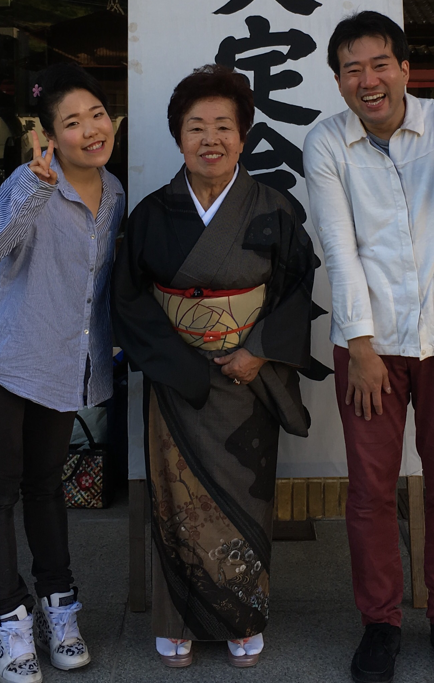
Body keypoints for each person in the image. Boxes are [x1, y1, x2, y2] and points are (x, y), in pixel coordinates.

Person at [303, 12, 434, 683]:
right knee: (369, 490)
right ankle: (380, 623)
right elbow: (338, 248)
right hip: (371, 344)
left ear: (403, 68)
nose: (367, 80)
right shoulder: (326, 142)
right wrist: (361, 346)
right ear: (338, 80)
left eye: (379, 64)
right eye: (351, 69)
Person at [112, 64, 323, 668]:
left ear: (243, 134)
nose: (211, 139)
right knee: (175, 499)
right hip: (176, 382)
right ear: (178, 137)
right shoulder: (152, 213)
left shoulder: (272, 208)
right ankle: (175, 618)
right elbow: (128, 299)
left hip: (248, 380)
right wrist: (181, 365)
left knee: (243, 500)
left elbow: (295, 285)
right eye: (196, 127)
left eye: (223, 126)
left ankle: (242, 616)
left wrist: (258, 351)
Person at [0, 63, 125, 683]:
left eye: (97, 115)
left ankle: (59, 605)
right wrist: (31, 189)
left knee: (47, 486)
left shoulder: (114, 193)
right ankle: (9, 618)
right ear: (48, 136)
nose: (90, 130)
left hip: (58, 361)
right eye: (72, 122)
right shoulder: (29, 182)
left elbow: (93, 286)